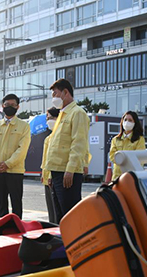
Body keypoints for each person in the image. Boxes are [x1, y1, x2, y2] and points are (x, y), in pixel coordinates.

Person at [42, 79, 90, 221]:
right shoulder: (62, 115)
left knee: (70, 216)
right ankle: (62, 242)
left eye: (55, 94)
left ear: (65, 92)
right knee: (59, 217)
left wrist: (70, 169)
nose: (54, 98)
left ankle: (74, 243)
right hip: (57, 172)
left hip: (67, 173)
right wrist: (50, 174)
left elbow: (78, 144)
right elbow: (55, 145)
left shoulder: (77, 113)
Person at [0, 94, 31, 218]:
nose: (9, 107)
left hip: (15, 171)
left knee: (16, 203)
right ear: (2, 106)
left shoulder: (24, 126)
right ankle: (2, 231)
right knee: (1, 204)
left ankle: (17, 231)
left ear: (18, 107)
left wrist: (8, 164)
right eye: (6, 105)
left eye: (12, 105)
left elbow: (22, 149)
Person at [109, 111, 145, 180]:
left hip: (132, 175)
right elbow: (112, 155)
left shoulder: (140, 139)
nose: (127, 122)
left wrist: (122, 160)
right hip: (117, 176)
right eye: (125, 120)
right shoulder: (115, 139)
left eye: (130, 120)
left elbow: (140, 157)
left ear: (135, 123)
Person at [41, 107, 60, 223]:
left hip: (55, 176)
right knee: (51, 209)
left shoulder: (62, 136)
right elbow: (45, 159)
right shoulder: (48, 138)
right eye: (47, 118)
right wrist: (43, 174)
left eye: (51, 118)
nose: (49, 121)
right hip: (47, 177)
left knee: (57, 209)